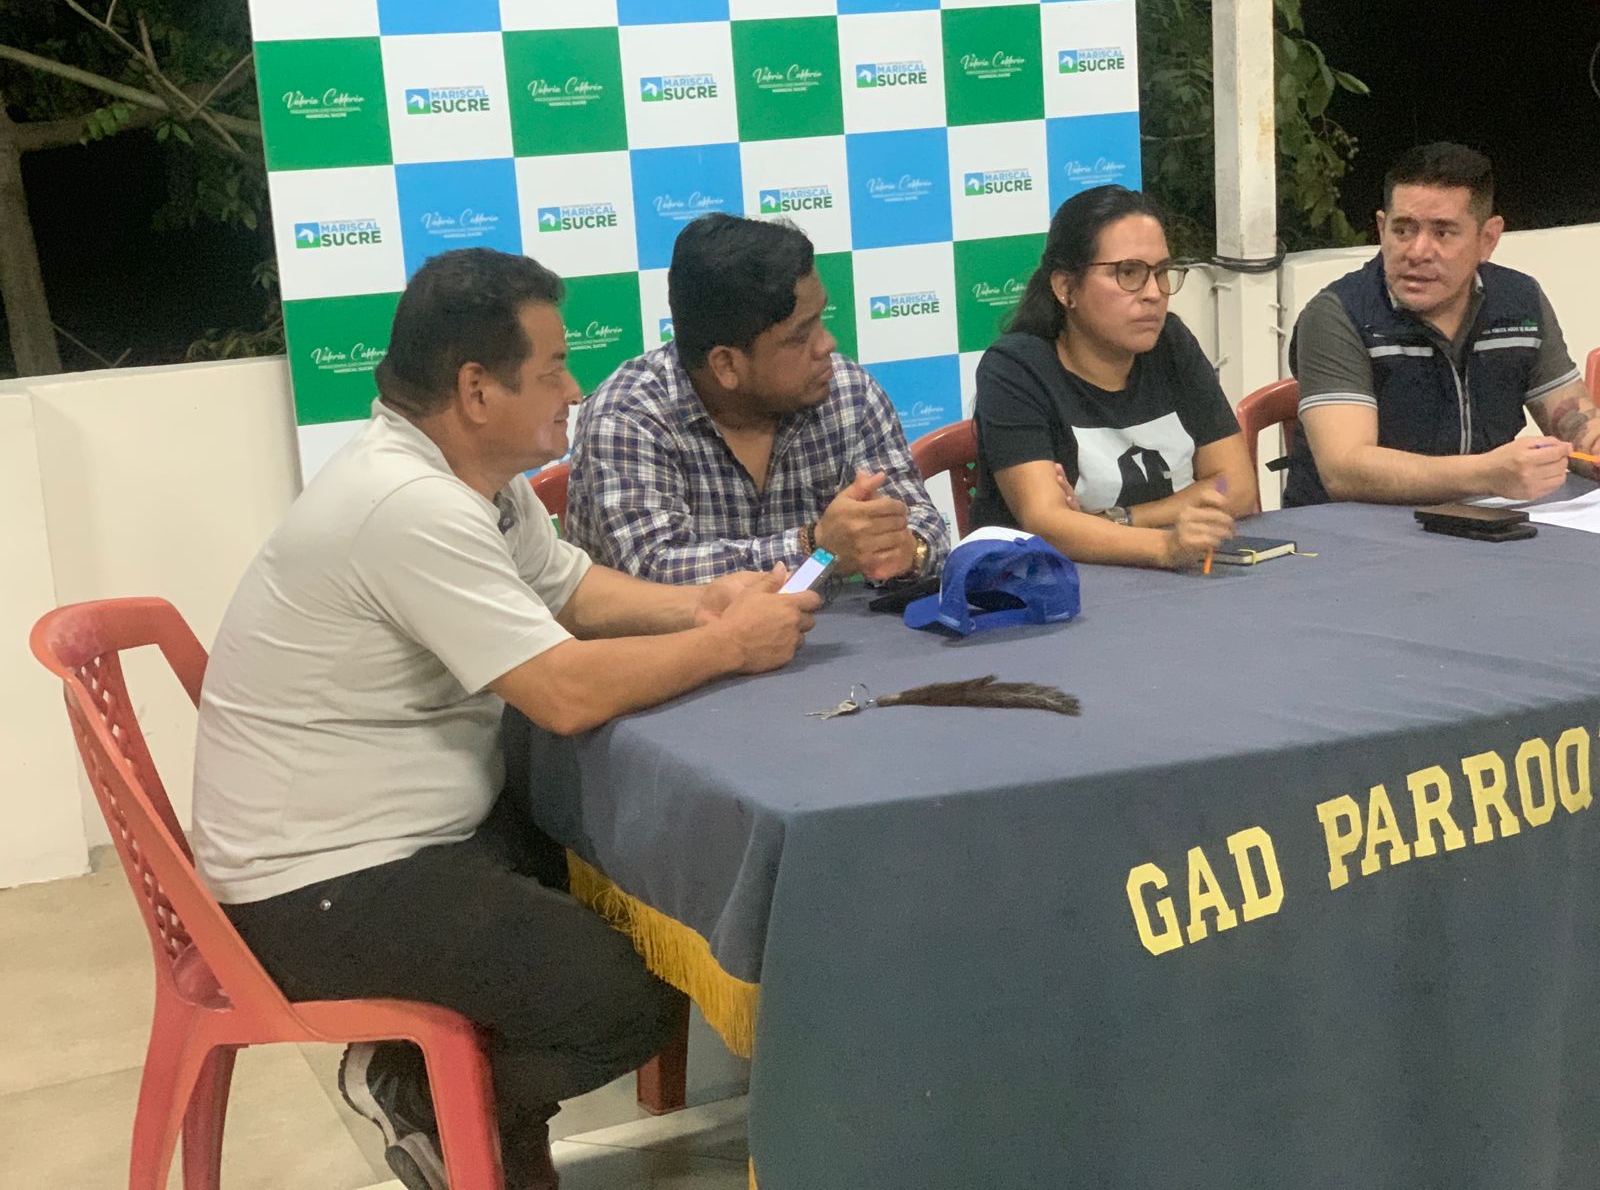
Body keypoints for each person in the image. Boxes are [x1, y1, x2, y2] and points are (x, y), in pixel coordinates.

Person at [190, 248, 820, 1190]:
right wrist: (730, 646)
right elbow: (563, 691)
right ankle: (418, 1092)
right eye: (554, 368)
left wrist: (705, 606)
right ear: (477, 389)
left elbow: (569, 590)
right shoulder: (407, 506)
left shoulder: (467, 476)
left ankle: (477, 1137)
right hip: (324, 885)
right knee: (625, 1003)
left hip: (406, 838)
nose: (575, 390)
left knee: (636, 891)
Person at [565, 212, 948, 585]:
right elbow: (655, 570)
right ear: (726, 364)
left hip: (837, 626)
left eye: (821, 319)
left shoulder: (848, 392)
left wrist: (906, 548)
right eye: (800, 336)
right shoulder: (629, 416)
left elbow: (924, 521)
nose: (827, 344)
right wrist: (815, 546)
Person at [1286, 141, 1598, 507]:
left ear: (1488, 239)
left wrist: (1591, 445)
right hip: (1349, 529)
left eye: (1442, 233)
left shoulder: (1520, 302)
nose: (1418, 252)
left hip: (1480, 519)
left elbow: (1573, 419)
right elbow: (1345, 470)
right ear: (1381, 229)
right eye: (1403, 230)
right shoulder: (1338, 314)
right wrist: (1486, 474)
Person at [971, 185, 1254, 568]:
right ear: (1066, 287)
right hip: (1053, 586)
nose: (1154, 293)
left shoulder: (1171, 344)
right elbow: (1046, 523)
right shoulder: (1016, 369)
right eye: (1128, 273)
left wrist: (1118, 520)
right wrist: (1166, 545)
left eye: (1162, 272)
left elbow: (1235, 486)